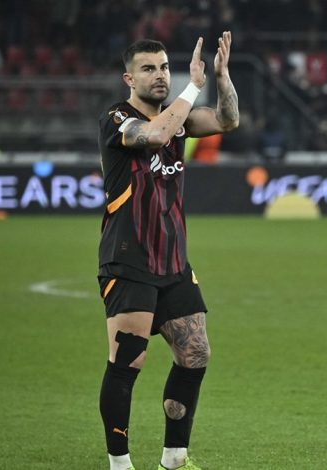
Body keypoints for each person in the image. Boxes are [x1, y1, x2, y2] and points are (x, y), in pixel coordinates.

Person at [97, 33, 239, 470]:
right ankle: (120, 464)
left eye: (163, 67)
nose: (159, 75)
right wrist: (192, 86)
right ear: (129, 78)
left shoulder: (178, 118)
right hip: (129, 259)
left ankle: (174, 459)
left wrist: (221, 77)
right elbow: (157, 135)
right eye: (148, 69)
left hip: (173, 261)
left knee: (195, 353)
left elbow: (227, 120)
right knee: (128, 361)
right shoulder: (118, 119)